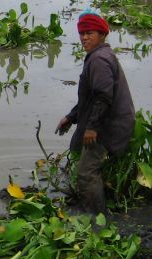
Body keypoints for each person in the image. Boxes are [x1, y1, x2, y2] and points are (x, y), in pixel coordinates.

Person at [55, 12, 134, 216]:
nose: (84, 38)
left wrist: (91, 128)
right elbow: (89, 98)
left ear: (101, 35)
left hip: (108, 124)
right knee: (83, 159)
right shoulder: (98, 56)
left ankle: (97, 217)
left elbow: (103, 97)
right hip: (106, 120)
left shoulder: (99, 59)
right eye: (81, 34)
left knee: (86, 172)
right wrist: (71, 118)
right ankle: (93, 206)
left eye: (89, 33)